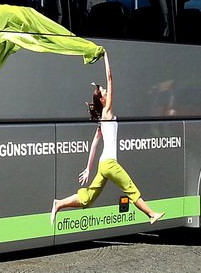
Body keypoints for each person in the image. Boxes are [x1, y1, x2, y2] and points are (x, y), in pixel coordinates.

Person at [51, 52, 164, 225]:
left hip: (103, 165)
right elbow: (110, 78)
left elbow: (94, 144)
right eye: (104, 91)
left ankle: (59, 203)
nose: (106, 90)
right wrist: (105, 57)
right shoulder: (108, 111)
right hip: (110, 164)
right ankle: (151, 215)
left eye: (104, 89)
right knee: (131, 189)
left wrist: (88, 168)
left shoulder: (102, 119)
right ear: (103, 100)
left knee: (88, 198)